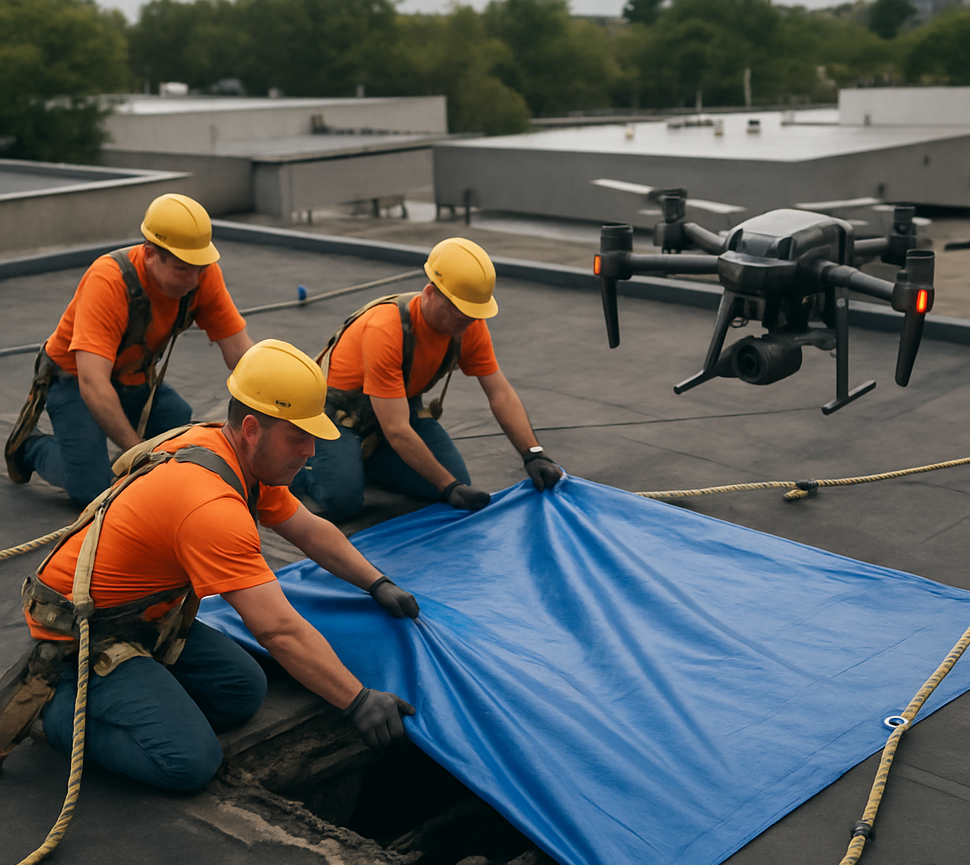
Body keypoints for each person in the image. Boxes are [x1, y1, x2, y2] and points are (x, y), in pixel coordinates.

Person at [7, 340, 418, 791]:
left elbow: (310, 529)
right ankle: (54, 708)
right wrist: (357, 700)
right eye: (299, 437)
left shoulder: (234, 456)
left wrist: (377, 582)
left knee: (241, 691)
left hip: (143, 617)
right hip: (83, 631)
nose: (312, 452)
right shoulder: (210, 505)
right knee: (189, 761)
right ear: (252, 429)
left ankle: (133, 689)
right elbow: (277, 630)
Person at [5, 193, 254, 507]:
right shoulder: (108, 280)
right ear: (150, 254)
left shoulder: (203, 276)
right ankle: (30, 448)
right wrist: (138, 453)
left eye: (200, 268)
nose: (193, 279)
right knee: (93, 489)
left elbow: (241, 355)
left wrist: (280, 396)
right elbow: (93, 385)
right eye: (181, 269)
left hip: (134, 378)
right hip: (74, 382)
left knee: (177, 420)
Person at [291, 236, 563, 520]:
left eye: (474, 313)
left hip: (393, 410)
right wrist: (448, 488)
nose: (467, 321)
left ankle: (360, 462)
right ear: (430, 293)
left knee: (454, 476)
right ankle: (298, 463)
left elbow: (500, 393)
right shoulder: (386, 328)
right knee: (342, 500)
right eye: (459, 311)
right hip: (338, 418)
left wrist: (533, 453)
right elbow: (396, 428)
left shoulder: (469, 324)